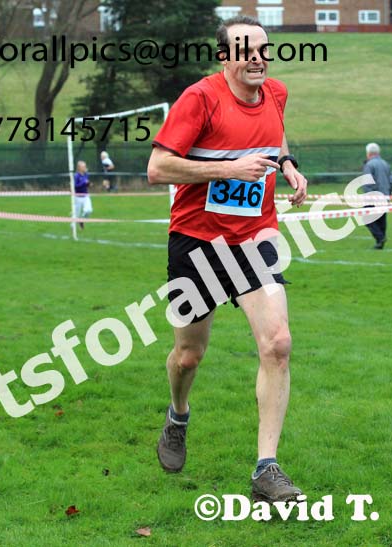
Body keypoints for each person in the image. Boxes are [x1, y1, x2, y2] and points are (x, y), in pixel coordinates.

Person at [146, 15, 308, 503]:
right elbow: (157, 168)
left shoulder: (276, 93)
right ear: (226, 56)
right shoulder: (199, 99)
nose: (257, 57)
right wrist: (227, 166)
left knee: (278, 344)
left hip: (255, 238)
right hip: (196, 241)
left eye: (263, 48)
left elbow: (274, 137)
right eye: (246, 49)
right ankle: (178, 416)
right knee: (189, 355)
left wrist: (289, 166)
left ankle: (267, 469)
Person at [362, 143, 392, 249]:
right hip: (385, 195)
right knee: (381, 219)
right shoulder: (385, 164)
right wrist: (389, 193)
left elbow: (367, 182)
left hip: (373, 196)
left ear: (368, 153)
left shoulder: (369, 165)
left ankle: (380, 238)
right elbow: (391, 180)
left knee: (366, 217)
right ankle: (381, 241)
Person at [73, 160, 93, 231]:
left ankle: (81, 220)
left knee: (89, 210)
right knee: (76, 214)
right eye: (83, 166)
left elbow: (86, 183)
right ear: (79, 168)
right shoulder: (76, 176)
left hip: (86, 196)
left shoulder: (86, 174)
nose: (85, 168)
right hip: (78, 197)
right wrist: (83, 182)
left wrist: (89, 184)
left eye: (85, 166)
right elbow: (76, 186)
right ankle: (73, 227)